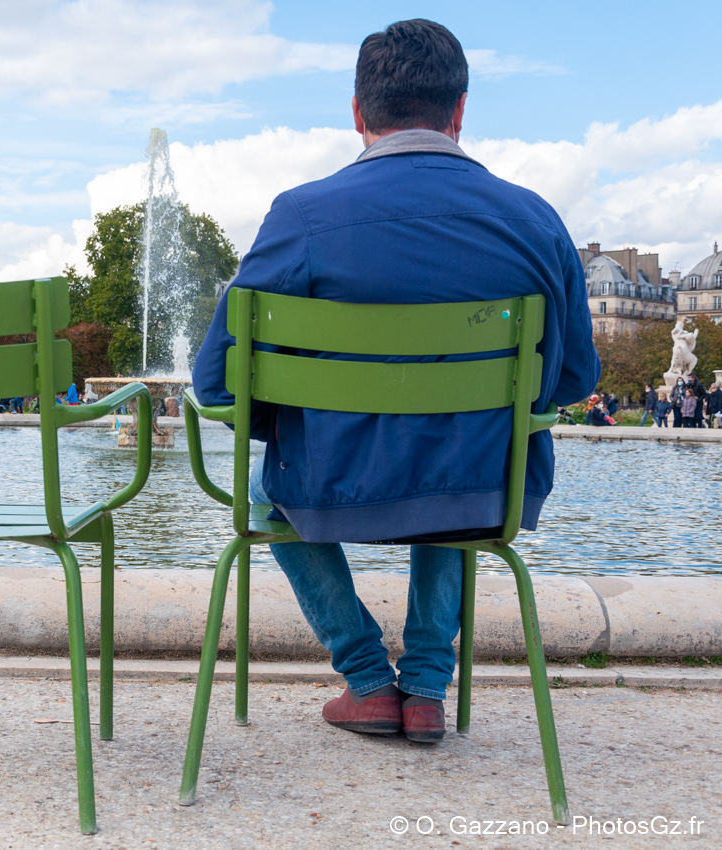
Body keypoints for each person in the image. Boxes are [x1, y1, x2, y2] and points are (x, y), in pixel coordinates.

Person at [191, 19, 600, 743]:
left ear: (358, 115)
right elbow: (571, 380)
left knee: (266, 495)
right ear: (460, 110)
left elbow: (219, 383)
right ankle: (428, 688)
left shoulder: (301, 215)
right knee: (461, 457)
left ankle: (369, 679)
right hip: (486, 491)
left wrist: (306, 427)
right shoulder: (536, 221)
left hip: (330, 486)